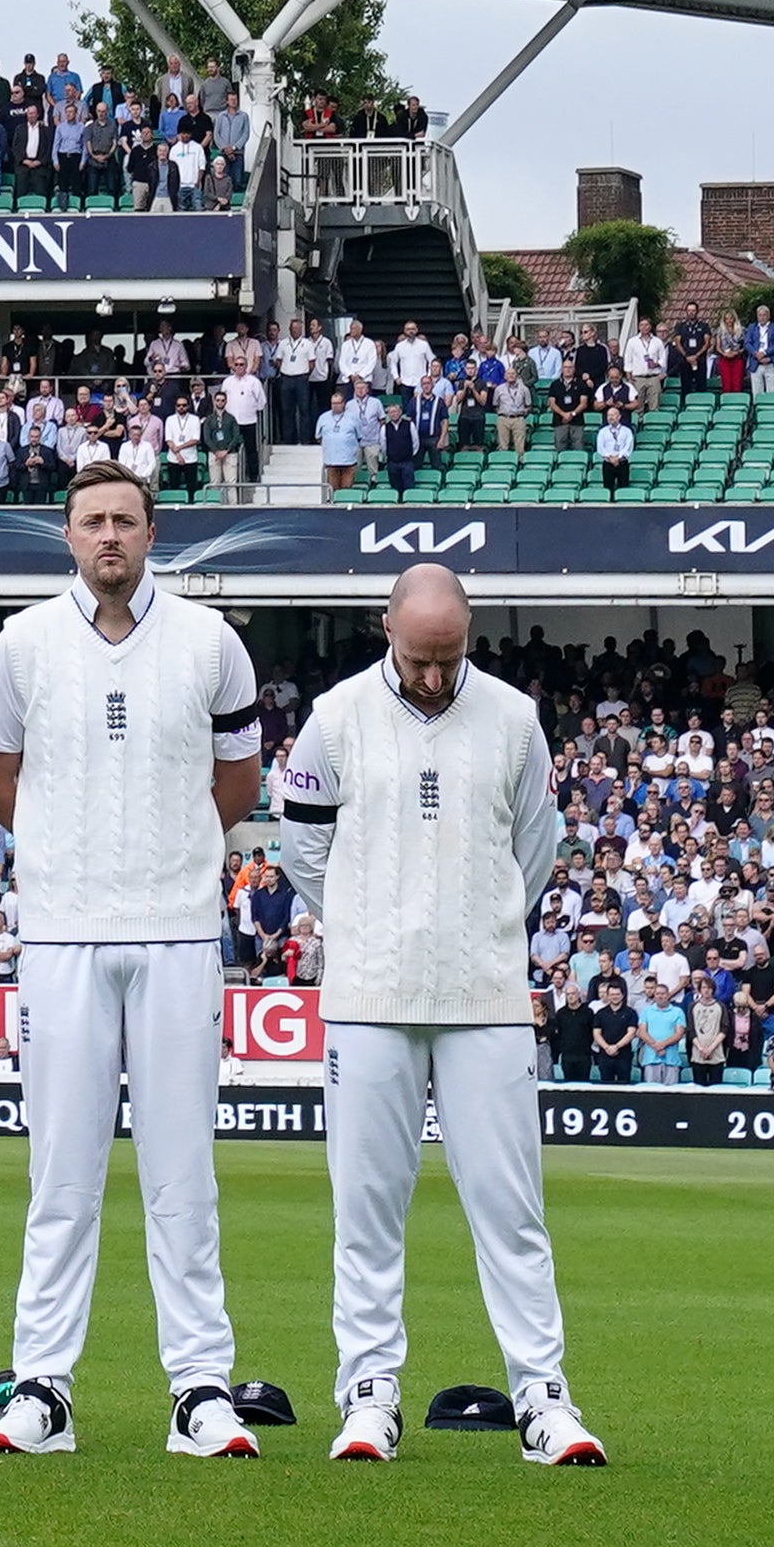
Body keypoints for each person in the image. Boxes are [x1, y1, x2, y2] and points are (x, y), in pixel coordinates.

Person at [0, 456, 268, 1460]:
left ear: (150, 533)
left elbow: (237, 778)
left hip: (176, 930)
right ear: (68, 534)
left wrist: (171, 854)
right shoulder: (20, 645)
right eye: (90, 521)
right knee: (61, 1173)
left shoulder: (209, 641)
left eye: (123, 522)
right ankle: (40, 1386)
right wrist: (61, 852)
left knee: (182, 1173)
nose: (107, 537)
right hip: (60, 932)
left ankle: (197, 1390)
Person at [268, 567, 601, 1469]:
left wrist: (482, 925)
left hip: (485, 996)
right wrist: (368, 921)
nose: (432, 675)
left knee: (512, 1209)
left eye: (448, 657)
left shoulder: (513, 717)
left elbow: (536, 849)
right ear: (387, 628)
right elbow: (301, 847)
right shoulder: (335, 716)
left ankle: (542, 1396)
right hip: (369, 996)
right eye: (418, 657)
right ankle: (368, 1394)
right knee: (368, 1207)